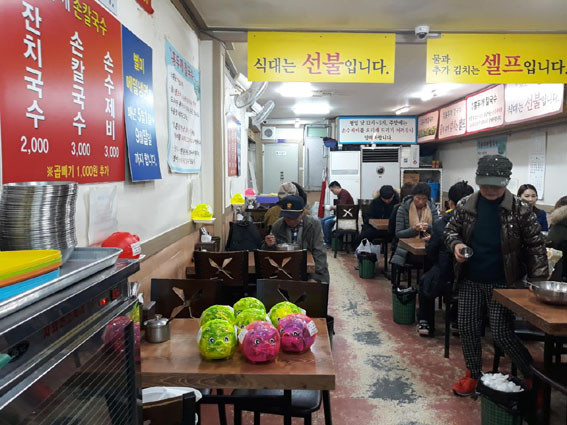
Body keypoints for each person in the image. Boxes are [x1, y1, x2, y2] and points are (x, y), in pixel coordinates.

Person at [444, 155, 548, 397]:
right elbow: (450, 230)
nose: (490, 190)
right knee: (468, 328)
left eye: (496, 185)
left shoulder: (520, 210)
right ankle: (472, 374)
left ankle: (531, 374)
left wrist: (538, 282)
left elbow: (536, 246)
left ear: (506, 182)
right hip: (471, 278)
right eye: (485, 184)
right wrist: (456, 244)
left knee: (501, 333)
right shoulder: (466, 205)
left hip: (503, 283)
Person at [416, 181, 474, 337]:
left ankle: (426, 322)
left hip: (445, 273)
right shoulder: (479, 222)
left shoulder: (441, 223)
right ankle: (457, 321)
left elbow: (432, 252)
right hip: (472, 276)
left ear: (451, 203)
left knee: (425, 282)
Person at [262, 195, 330, 283]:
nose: (290, 221)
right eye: (287, 217)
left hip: (309, 271)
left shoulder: (314, 225)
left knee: (313, 286)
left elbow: (319, 252)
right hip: (285, 269)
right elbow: (269, 255)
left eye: (293, 217)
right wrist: (269, 245)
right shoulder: (277, 226)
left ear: (302, 213)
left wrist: (315, 277)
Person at [391, 182, 439, 268]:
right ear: (413, 196)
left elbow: (438, 229)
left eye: (424, 199)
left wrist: (428, 227)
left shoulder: (432, 208)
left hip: (427, 244)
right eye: (418, 198)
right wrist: (413, 230)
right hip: (406, 248)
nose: (420, 202)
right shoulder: (403, 208)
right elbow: (398, 233)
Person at [320, 181, 354, 246]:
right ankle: (326, 240)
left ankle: (329, 243)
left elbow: (340, 207)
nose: (332, 192)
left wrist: (330, 207)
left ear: (336, 187)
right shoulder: (340, 194)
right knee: (323, 220)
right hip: (341, 214)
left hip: (346, 217)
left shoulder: (344, 193)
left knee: (327, 223)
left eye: (332, 190)